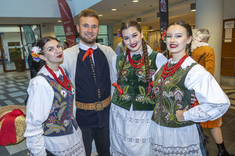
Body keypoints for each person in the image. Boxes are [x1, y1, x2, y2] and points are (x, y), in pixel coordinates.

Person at [150, 20, 230, 156]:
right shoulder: (164, 67)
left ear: (189, 40)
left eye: (178, 36)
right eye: (169, 36)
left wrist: (186, 115)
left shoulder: (194, 70)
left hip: (180, 133)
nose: (172, 40)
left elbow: (219, 103)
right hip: (159, 131)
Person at [61, 9, 116, 156]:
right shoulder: (67, 56)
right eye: (85, 26)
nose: (90, 30)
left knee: (106, 151)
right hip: (81, 118)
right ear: (78, 29)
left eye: (94, 26)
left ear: (98, 28)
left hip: (106, 116)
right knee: (82, 153)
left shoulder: (108, 52)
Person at [110, 21, 167, 156]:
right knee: (122, 147)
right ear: (123, 40)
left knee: (144, 149)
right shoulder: (116, 59)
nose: (131, 41)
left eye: (134, 35)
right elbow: (115, 82)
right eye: (126, 38)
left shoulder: (157, 58)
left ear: (141, 34)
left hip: (146, 114)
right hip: (121, 113)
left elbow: (166, 86)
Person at [24, 36, 85, 156]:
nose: (58, 50)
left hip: (72, 135)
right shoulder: (40, 82)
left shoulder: (63, 72)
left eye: (58, 46)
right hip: (54, 141)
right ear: (42, 56)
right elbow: (33, 124)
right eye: (51, 49)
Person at [192, 28, 233, 156]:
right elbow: (209, 72)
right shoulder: (208, 50)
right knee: (214, 120)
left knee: (194, 118)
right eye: (207, 37)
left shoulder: (191, 51)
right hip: (205, 91)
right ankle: (222, 151)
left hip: (192, 89)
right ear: (204, 38)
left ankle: (199, 142)